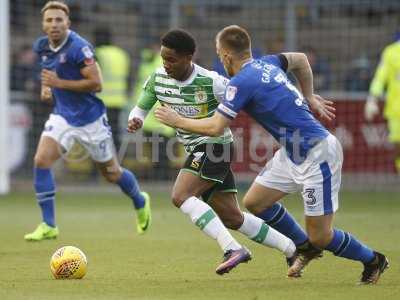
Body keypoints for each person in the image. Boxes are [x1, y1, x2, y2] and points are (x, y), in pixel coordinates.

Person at [155, 25, 389, 284]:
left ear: (227, 56)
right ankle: (304, 246)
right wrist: (308, 95)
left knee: (321, 235)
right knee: (255, 202)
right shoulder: (268, 63)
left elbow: (214, 127)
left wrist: (177, 120)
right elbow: (299, 59)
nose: (221, 60)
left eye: (221, 55)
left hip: (317, 153)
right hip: (292, 151)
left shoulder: (241, 83)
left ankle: (373, 260)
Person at [127, 29, 298, 275]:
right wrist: (136, 120)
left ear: (189, 57)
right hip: (198, 149)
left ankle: (232, 249)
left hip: (216, 146)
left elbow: (245, 98)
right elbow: (139, 108)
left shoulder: (212, 82)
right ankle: (291, 248)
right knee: (232, 217)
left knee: (181, 195)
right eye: (164, 59)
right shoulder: (157, 79)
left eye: (172, 60)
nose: (166, 64)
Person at [24, 1, 151, 241]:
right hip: (62, 116)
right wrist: (46, 88)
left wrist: (58, 84)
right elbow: (47, 72)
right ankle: (49, 224)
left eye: (58, 20)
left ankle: (139, 199)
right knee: (41, 160)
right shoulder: (42, 46)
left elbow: (96, 84)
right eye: (49, 20)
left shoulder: (79, 48)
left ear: (68, 23)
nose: (54, 24)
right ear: (43, 24)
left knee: (112, 173)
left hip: (91, 120)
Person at [365, 35, 400, 173]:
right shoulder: (391, 52)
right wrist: (372, 99)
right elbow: (380, 78)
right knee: (397, 143)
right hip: (396, 109)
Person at [94, 27, 132, 151]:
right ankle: (115, 162)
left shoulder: (98, 53)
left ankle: (100, 165)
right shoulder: (121, 54)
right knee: (114, 133)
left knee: (99, 135)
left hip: (101, 102)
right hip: (119, 101)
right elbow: (128, 78)